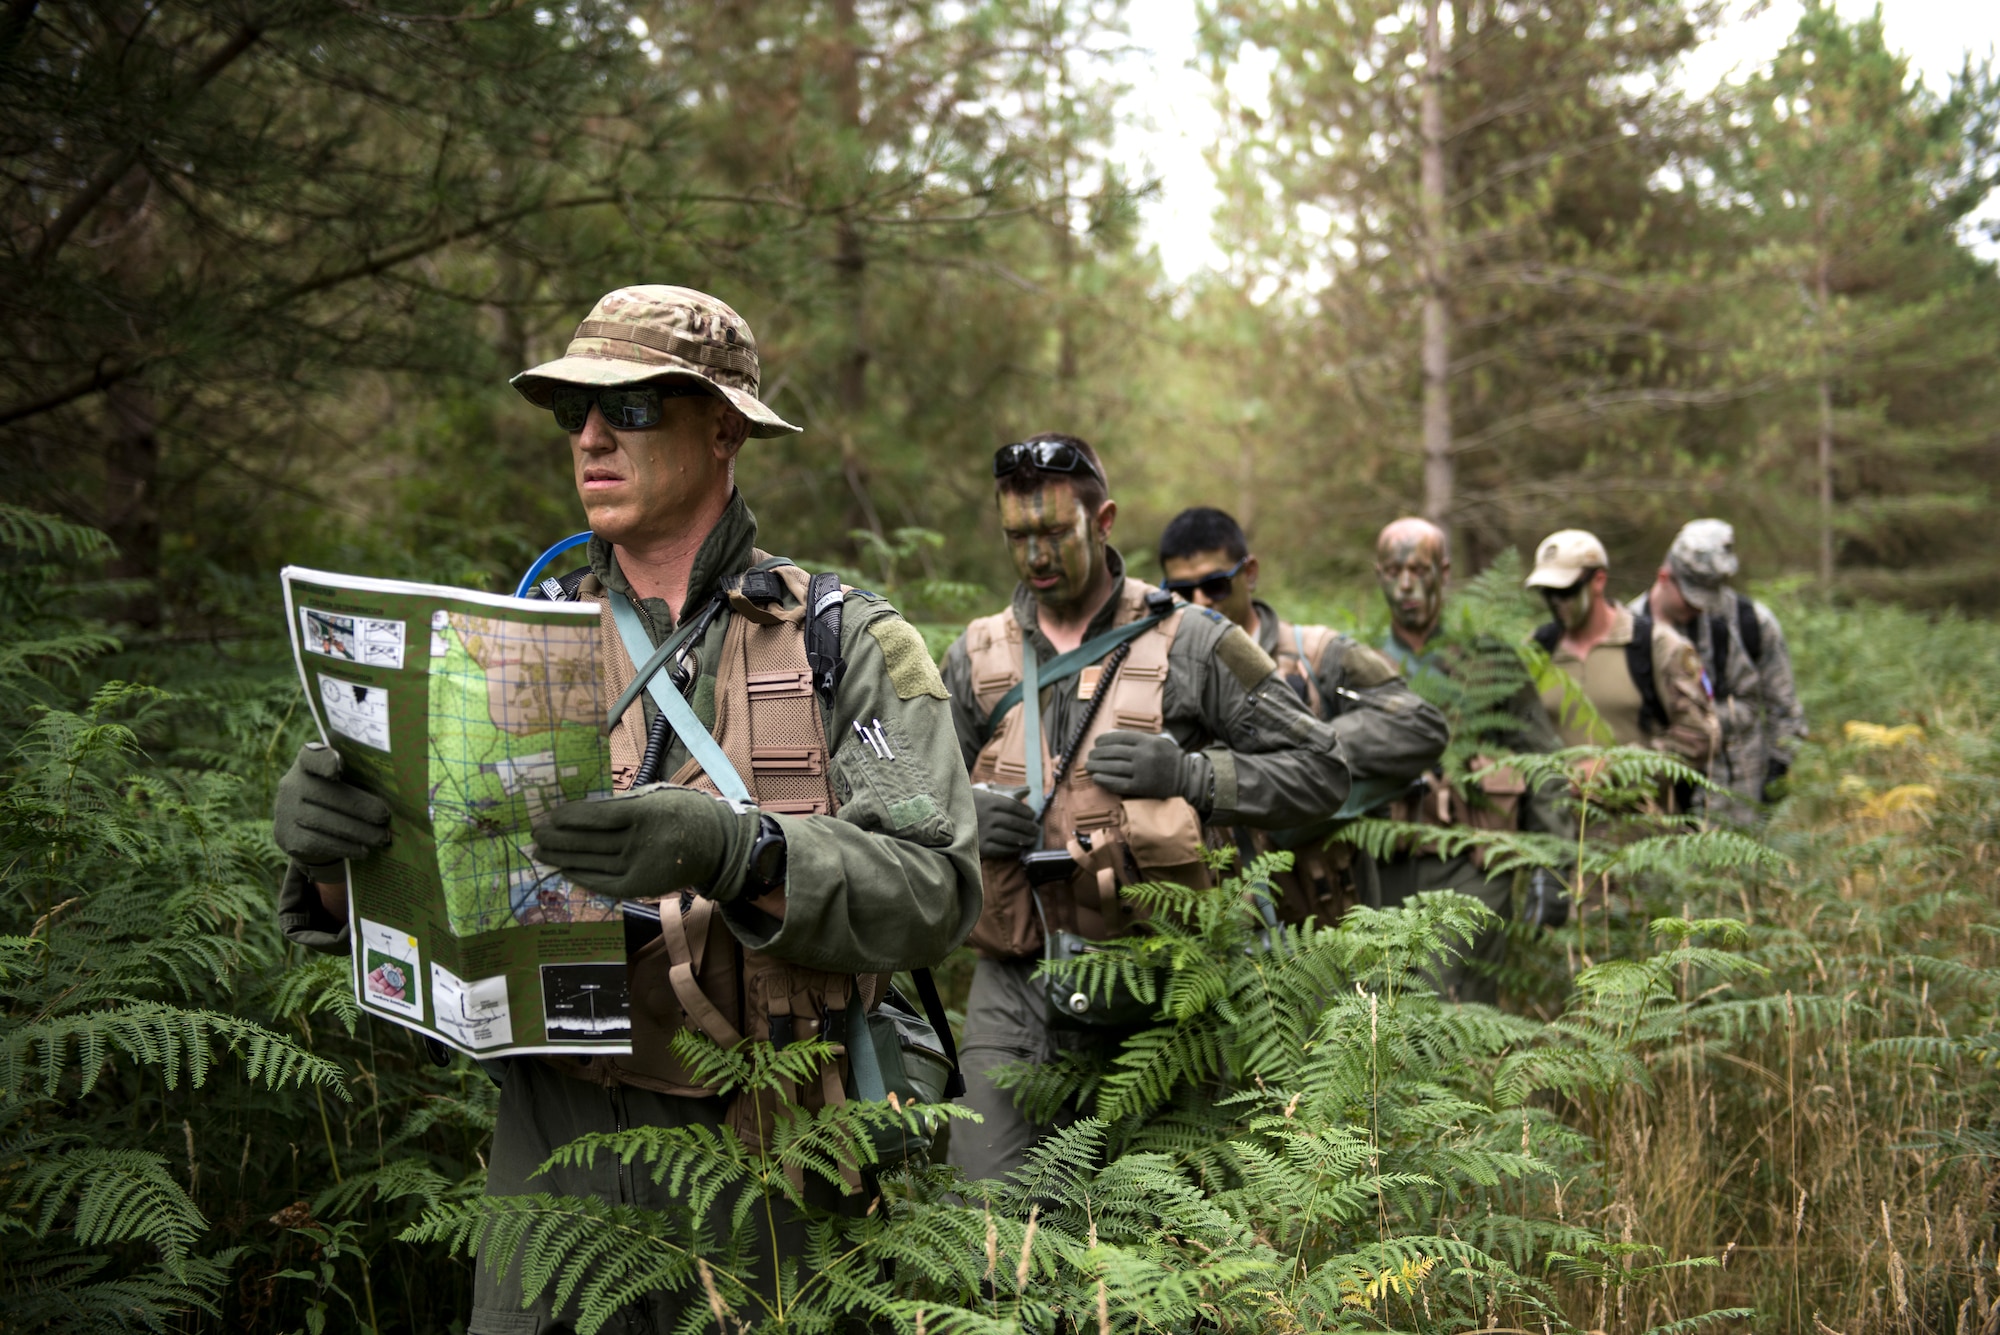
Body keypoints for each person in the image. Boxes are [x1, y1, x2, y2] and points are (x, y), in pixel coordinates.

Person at [270, 285, 981, 1334]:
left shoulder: (844, 644)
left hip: (770, 1155)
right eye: (573, 412)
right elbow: (439, 901)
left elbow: (937, 887)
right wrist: (336, 865)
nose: (593, 435)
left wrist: (739, 851)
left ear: (723, 427)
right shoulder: (494, 649)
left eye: (634, 406)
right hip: (547, 1147)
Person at [939, 436, 1354, 1181]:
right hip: (1015, 985)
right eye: (1017, 537)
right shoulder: (974, 656)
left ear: (1104, 522)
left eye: (1055, 533)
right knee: (988, 1232)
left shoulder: (1197, 642)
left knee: (1166, 1244)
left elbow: (1323, 769)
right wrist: (963, 815)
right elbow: (907, 799)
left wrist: (1193, 773)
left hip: (1165, 988)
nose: (1035, 556)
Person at [1155, 505, 1447, 924]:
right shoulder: (1161, 674)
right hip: (1226, 931)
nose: (1201, 601)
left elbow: (1419, 725)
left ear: (1249, 573)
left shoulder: (1317, 654)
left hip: (1336, 922)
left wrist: (1303, 752)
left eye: (1216, 584)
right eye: (1183, 591)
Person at [1367, 517, 1570, 1001]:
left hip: (1474, 863)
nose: (1407, 585)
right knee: (1384, 1004)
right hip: (1385, 862)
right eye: (1394, 571)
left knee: (1458, 1002)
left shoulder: (1487, 661)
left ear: (1445, 571)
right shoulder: (1362, 662)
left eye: (1419, 569)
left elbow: (1541, 760)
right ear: (1379, 575)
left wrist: (1553, 863)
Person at [1525, 528, 1719, 801]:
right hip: (1551, 832)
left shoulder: (1657, 647)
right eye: (1548, 593)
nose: (1557, 603)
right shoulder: (1535, 652)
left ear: (1598, 580)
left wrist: (1616, 767)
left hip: (1640, 828)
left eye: (1567, 591)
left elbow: (1700, 738)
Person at [1628, 519, 1806, 815]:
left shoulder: (1752, 624)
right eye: (1691, 598)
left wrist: (1779, 764)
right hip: (1654, 793)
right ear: (1664, 576)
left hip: (1736, 795)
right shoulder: (1628, 629)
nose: (1700, 607)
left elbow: (1783, 704)